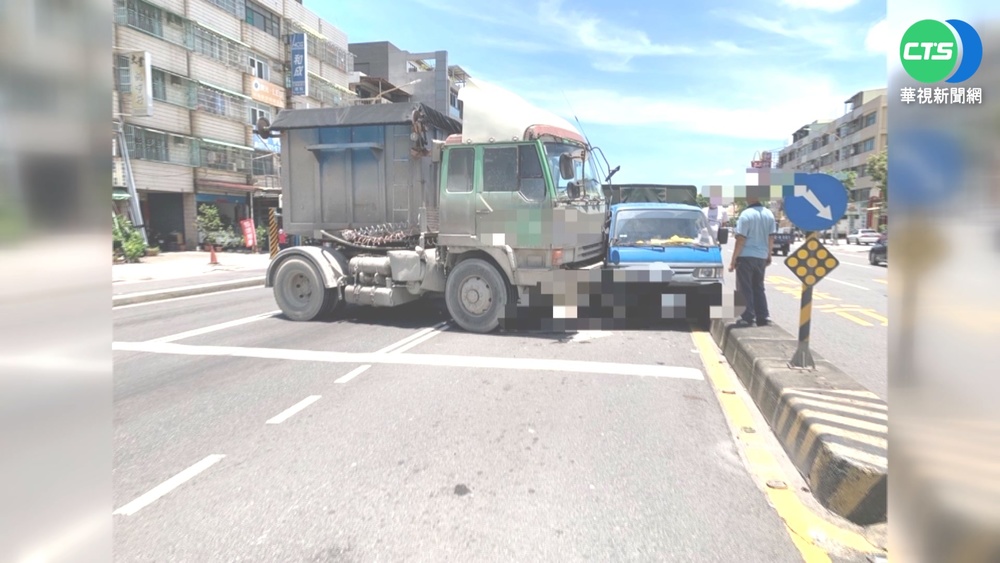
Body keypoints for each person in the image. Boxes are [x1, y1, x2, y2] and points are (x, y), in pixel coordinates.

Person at [729, 194, 776, 327]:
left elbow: (741, 239)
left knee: (744, 288)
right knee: (759, 287)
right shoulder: (769, 214)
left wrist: (733, 260)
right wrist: (769, 254)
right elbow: (771, 237)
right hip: (761, 256)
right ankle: (763, 316)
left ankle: (748, 317)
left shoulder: (746, 215)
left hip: (746, 256)